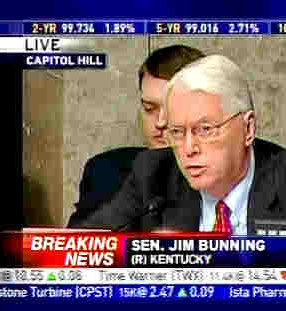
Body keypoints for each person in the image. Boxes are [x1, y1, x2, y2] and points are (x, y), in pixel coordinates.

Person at [72, 54, 286, 235]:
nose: (188, 148)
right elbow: (79, 245)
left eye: (205, 129)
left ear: (248, 128)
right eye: (177, 131)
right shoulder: (153, 174)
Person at [67, 45, 206, 227]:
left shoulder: (235, 173)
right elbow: (73, 248)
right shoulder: (107, 173)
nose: (159, 123)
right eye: (149, 108)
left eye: (172, 108)